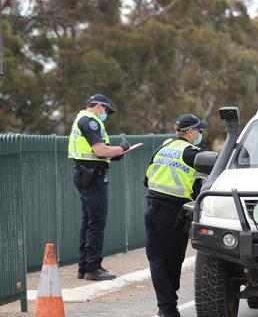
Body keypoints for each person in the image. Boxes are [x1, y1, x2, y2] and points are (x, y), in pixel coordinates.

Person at [144, 114, 207, 317]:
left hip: (152, 210)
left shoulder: (162, 148)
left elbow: (146, 180)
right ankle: (168, 307)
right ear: (189, 132)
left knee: (157, 261)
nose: (200, 134)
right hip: (173, 215)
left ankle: (166, 308)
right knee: (172, 261)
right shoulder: (192, 154)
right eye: (199, 130)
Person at [68, 94, 130, 281]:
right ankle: (93, 268)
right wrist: (120, 149)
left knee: (89, 220)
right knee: (96, 222)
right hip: (93, 176)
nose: (106, 114)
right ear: (97, 106)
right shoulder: (90, 121)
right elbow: (100, 150)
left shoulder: (84, 120)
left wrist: (115, 154)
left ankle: (84, 266)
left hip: (88, 173)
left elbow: (98, 153)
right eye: (106, 110)